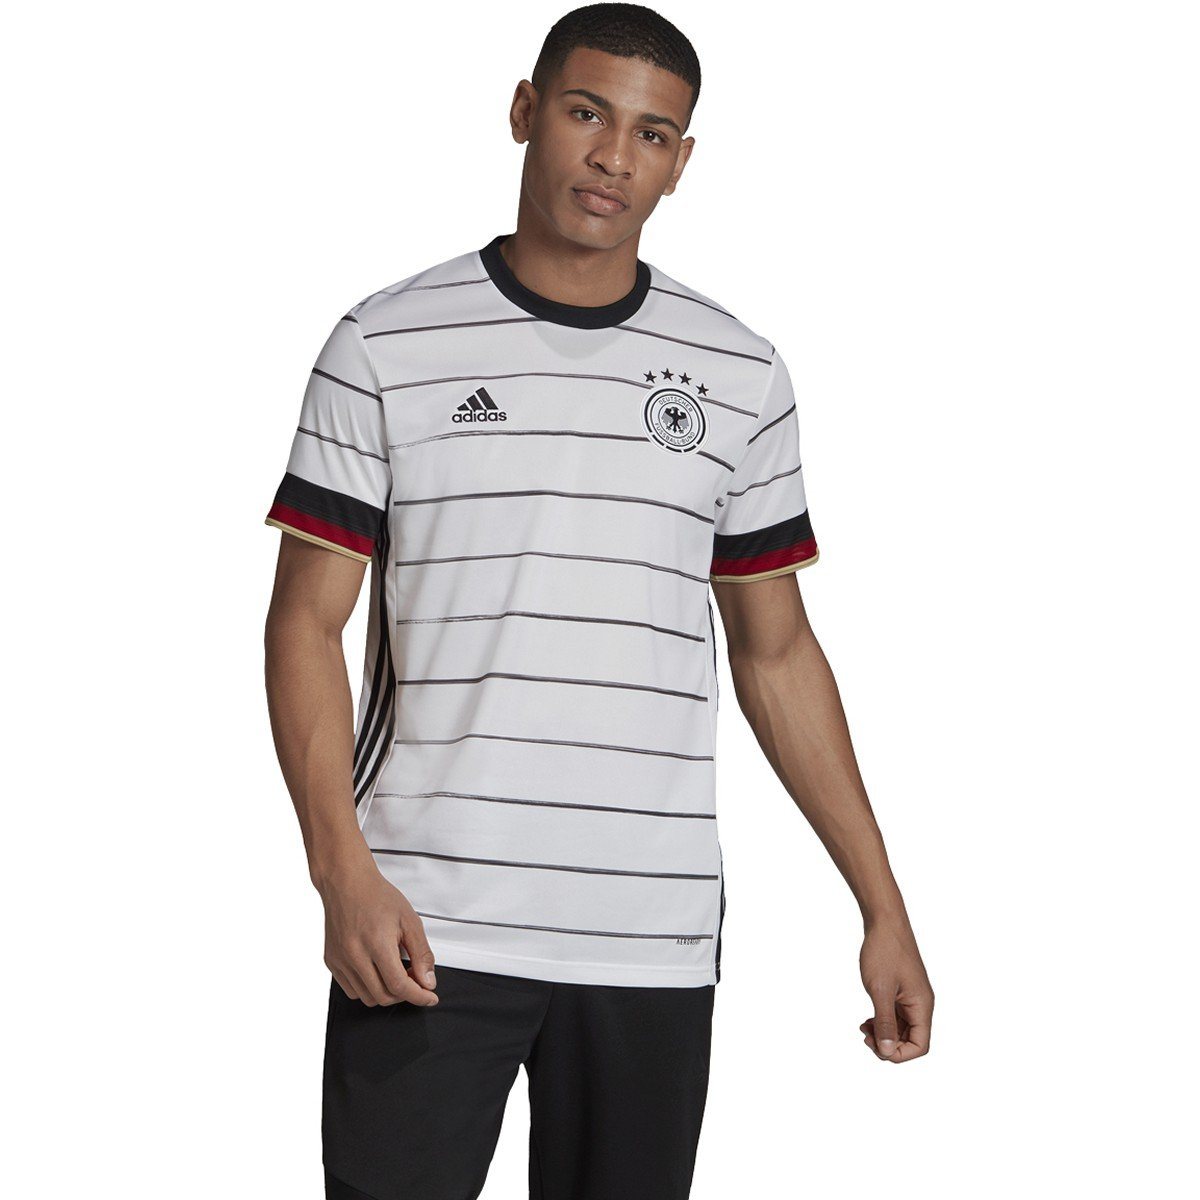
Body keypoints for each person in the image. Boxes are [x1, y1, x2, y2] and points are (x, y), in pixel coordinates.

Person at [262, 4, 934, 1197]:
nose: (614, 155)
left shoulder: (740, 373)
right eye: (586, 113)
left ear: (681, 160)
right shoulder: (385, 344)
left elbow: (777, 655)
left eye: (651, 133)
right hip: (425, 918)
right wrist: (339, 872)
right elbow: (305, 624)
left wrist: (881, 905)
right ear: (526, 112)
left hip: (648, 937)